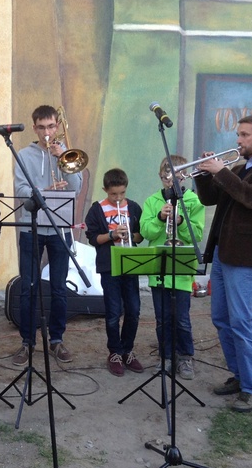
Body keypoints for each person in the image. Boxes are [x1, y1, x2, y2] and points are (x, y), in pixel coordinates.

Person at [195, 114, 252, 412]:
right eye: (238, 134)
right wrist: (203, 173)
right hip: (224, 252)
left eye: (244, 135)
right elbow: (210, 199)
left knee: (242, 322)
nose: (238, 140)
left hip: (247, 255)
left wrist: (221, 171)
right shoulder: (239, 167)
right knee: (222, 319)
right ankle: (239, 376)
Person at [12, 105, 83, 366]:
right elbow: (20, 190)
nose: (47, 132)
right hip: (32, 228)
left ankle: (57, 340)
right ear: (34, 128)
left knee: (59, 287)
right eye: (41, 127)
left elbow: (75, 188)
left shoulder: (65, 152)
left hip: (59, 228)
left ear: (58, 126)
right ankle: (27, 342)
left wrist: (63, 158)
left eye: (51, 126)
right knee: (29, 286)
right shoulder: (23, 155)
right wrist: (45, 190)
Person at [139, 156, 205, 380]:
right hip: (159, 271)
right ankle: (166, 357)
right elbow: (146, 232)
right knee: (162, 318)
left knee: (182, 318)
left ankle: (186, 357)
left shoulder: (194, 201)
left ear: (184, 175)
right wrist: (160, 218)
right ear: (161, 177)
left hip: (182, 272)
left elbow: (196, 234)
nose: (172, 179)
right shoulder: (151, 201)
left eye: (177, 174)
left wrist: (180, 222)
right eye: (167, 175)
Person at [85, 168, 144, 377]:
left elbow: (140, 237)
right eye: (113, 194)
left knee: (134, 310)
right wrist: (111, 234)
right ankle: (115, 353)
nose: (118, 198)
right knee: (112, 312)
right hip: (109, 265)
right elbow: (93, 238)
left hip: (130, 263)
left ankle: (128, 350)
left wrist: (131, 234)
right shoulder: (97, 209)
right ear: (105, 190)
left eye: (122, 193)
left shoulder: (134, 208)